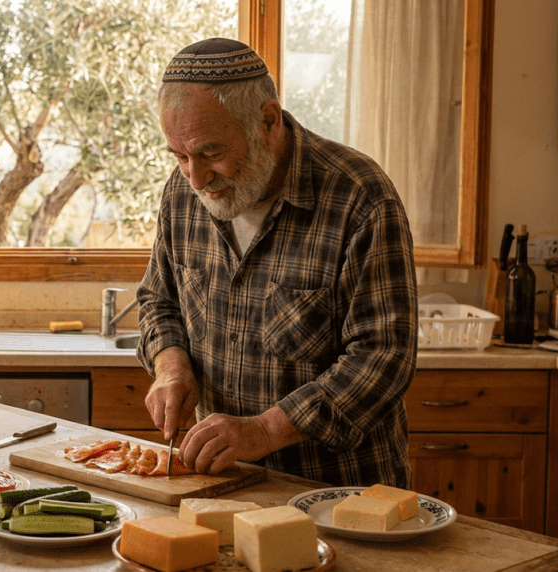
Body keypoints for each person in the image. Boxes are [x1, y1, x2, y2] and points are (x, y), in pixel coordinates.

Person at [137, 38, 418, 488]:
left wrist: (264, 430)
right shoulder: (184, 191)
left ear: (267, 121)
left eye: (210, 152)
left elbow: (383, 356)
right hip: (224, 483)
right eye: (180, 155)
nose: (196, 177)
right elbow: (158, 300)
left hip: (338, 492)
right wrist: (171, 366)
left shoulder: (359, 197)